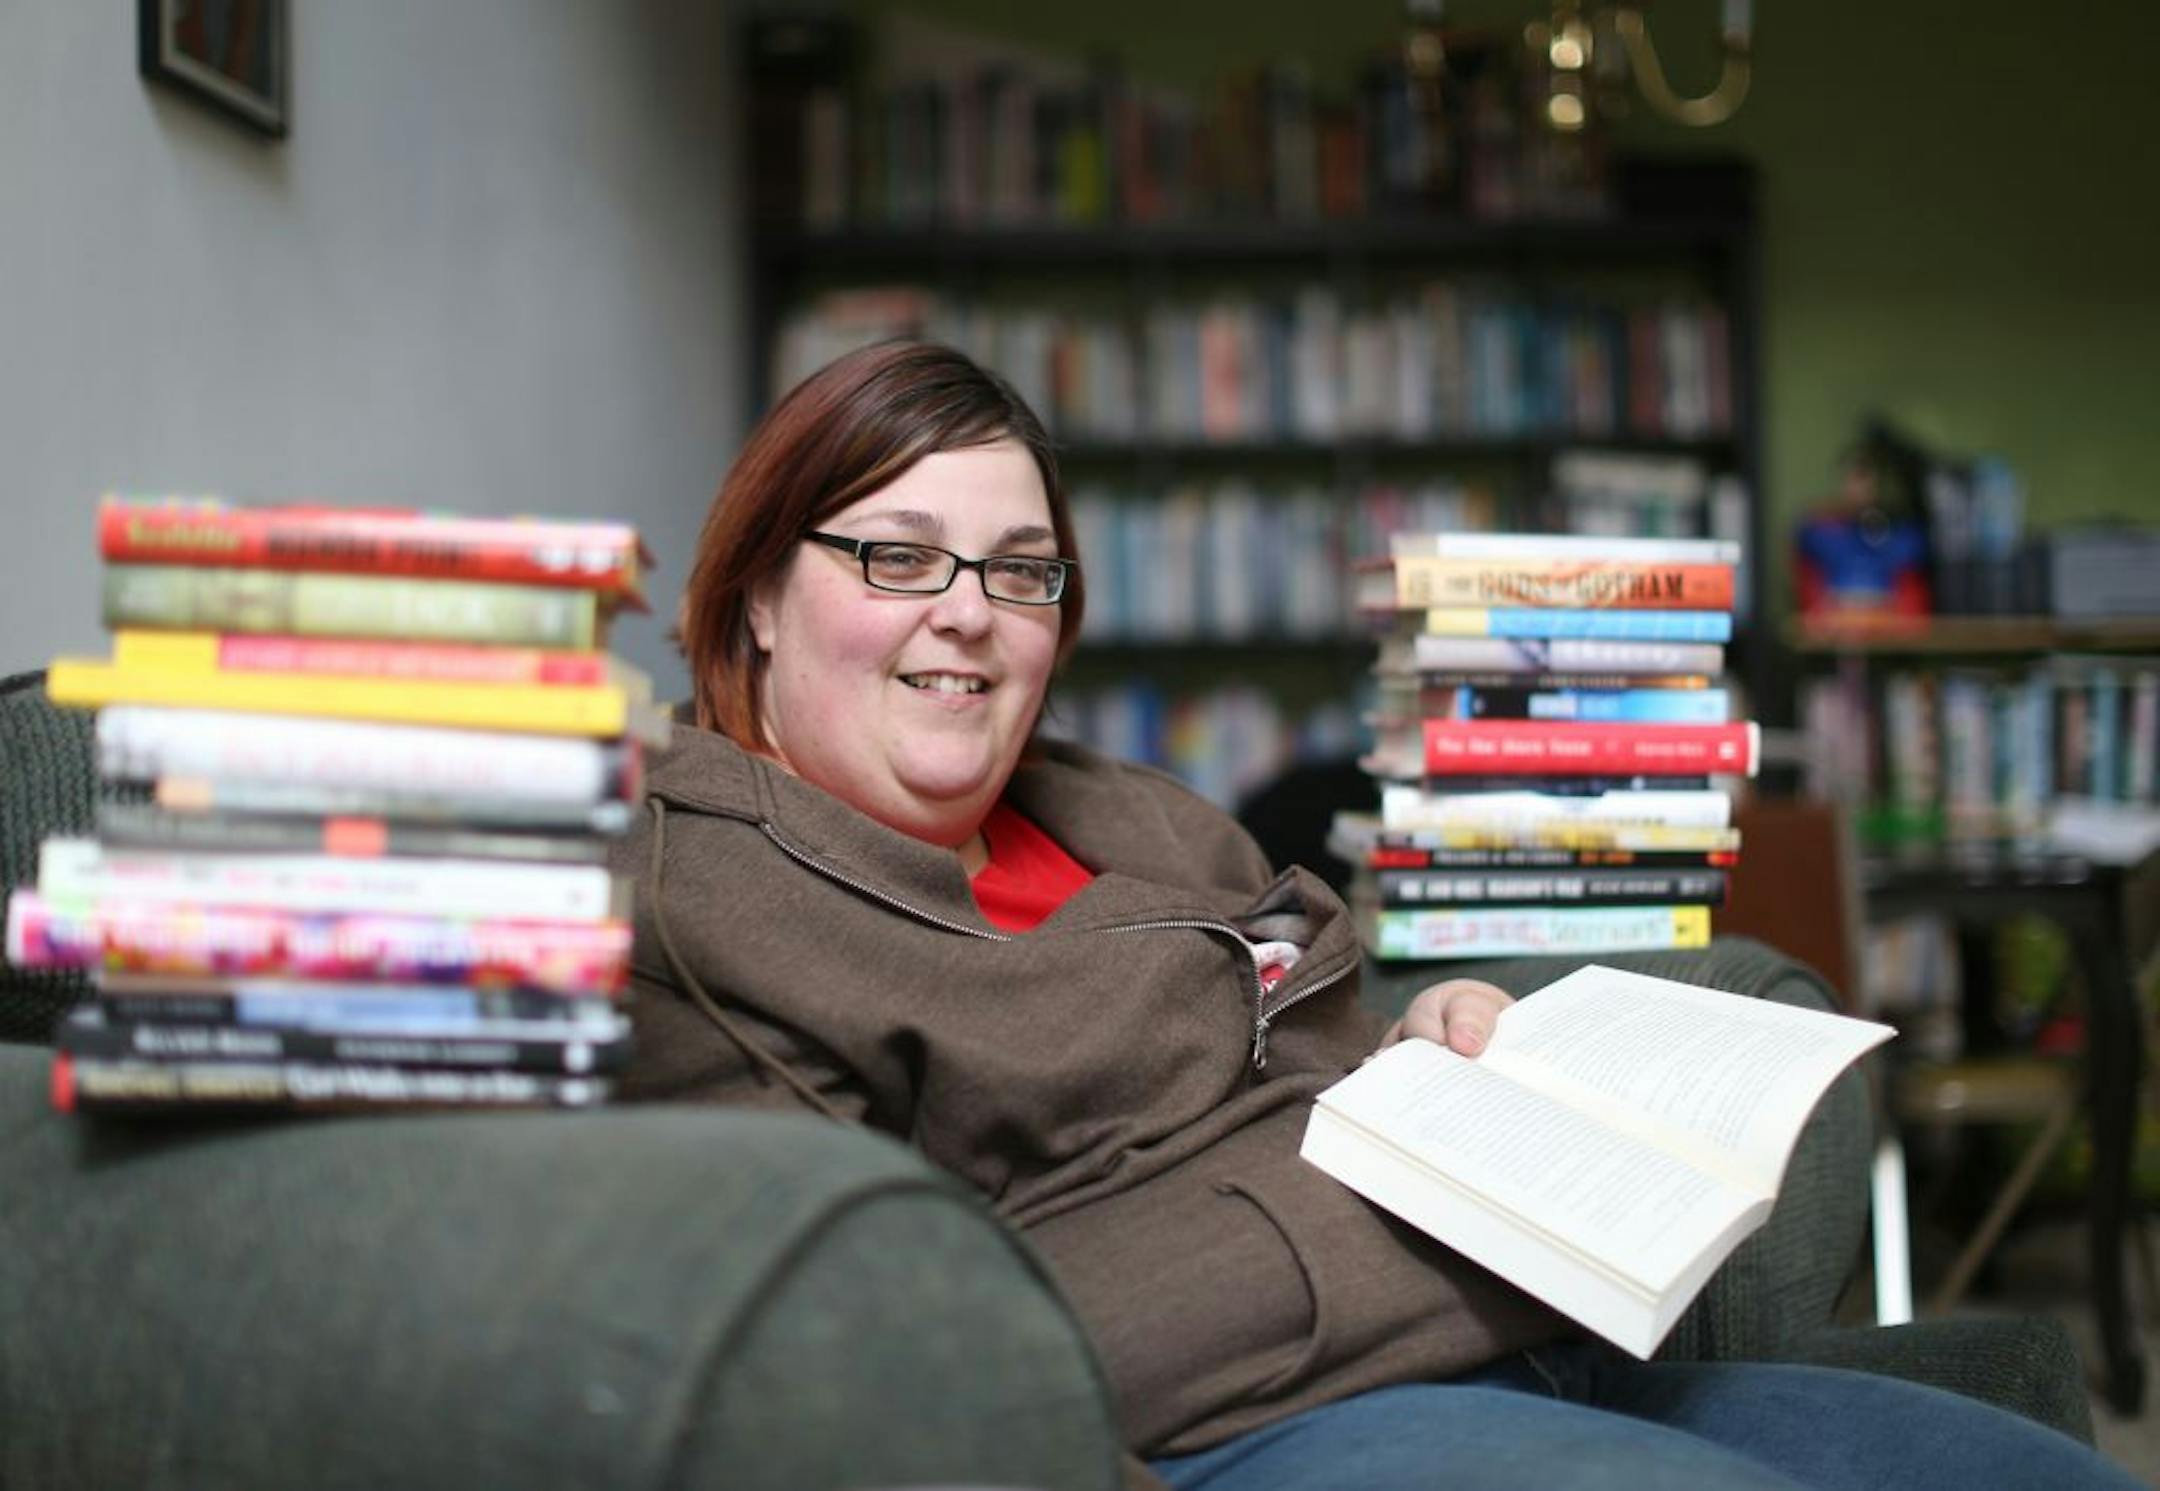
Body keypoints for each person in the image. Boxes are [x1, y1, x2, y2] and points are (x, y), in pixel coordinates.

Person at [618, 340, 2136, 1490]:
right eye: (898, 555)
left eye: (1023, 574)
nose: (969, 612)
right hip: (1251, 1434)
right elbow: (890, 1362)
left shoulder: (1137, 816)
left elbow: (1307, 1071)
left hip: (1509, 1346)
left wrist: (1420, 1050)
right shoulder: (696, 897)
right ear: (756, 592)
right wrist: (1427, 1228)